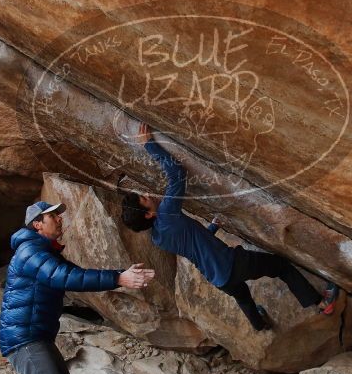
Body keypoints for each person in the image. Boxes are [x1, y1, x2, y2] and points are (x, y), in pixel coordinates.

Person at [120, 123, 340, 332]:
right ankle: (322, 303)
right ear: (149, 213)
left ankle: (259, 325)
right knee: (282, 267)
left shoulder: (158, 238)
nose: (147, 195)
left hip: (217, 277)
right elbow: (176, 175)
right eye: (144, 199)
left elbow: (195, 245)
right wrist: (149, 144)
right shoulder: (166, 213)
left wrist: (212, 228)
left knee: (242, 295)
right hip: (232, 264)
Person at [0, 200, 154, 374]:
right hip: (24, 340)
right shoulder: (30, 251)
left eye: (58, 215)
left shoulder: (44, 251)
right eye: (52, 216)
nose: (59, 219)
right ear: (37, 224)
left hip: (37, 337)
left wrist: (121, 276)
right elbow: (66, 277)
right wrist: (119, 278)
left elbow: (76, 274)